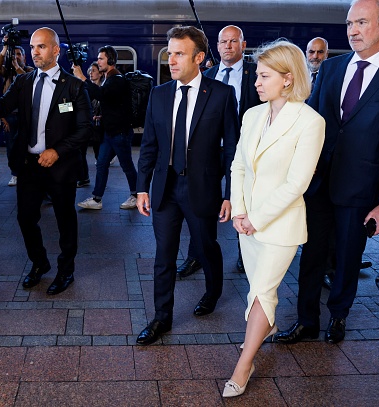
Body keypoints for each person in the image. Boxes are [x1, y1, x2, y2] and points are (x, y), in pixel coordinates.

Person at [275, 0, 379, 346]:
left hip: (361, 191)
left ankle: (338, 317)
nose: (353, 31)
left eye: (361, 22)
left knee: (346, 258)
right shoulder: (331, 69)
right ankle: (305, 320)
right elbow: (309, 124)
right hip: (318, 185)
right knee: (310, 257)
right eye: (349, 23)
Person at [223, 40, 325, 398]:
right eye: (257, 75)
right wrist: (239, 211)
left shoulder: (311, 122)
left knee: (263, 289)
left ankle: (245, 364)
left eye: (264, 76)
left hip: (280, 226)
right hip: (246, 222)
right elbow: (237, 166)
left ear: (287, 78)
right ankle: (264, 329)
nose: (256, 82)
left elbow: (298, 183)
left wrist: (256, 218)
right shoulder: (252, 115)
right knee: (257, 290)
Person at [0, 27, 92, 295]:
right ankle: (39, 262)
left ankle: (66, 270)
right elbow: (3, 104)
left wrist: (57, 151)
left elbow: (84, 130)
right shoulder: (24, 82)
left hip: (60, 167)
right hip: (29, 165)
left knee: (65, 221)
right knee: (25, 218)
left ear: (56, 50)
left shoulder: (74, 87)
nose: (35, 52)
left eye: (42, 47)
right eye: (33, 47)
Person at [135, 26, 238, 345]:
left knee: (206, 247)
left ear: (199, 57)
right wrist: (141, 187)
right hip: (165, 189)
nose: (172, 59)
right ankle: (161, 317)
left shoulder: (221, 95)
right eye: (170, 53)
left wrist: (229, 194)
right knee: (163, 256)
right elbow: (149, 145)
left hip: (202, 190)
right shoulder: (159, 93)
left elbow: (233, 149)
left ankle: (212, 292)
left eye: (179, 53)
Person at [172, 25, 262, 278]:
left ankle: (246, 253)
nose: (228, 46)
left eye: (234, 41)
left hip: (244, 151)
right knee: (200, 205)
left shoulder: (255, 74)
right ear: (217, 45)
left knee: (242, 201)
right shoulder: (206, 73)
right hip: (208, 154)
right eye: (223, 42)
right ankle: (197, 254)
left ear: (243, 45)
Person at [73, 46, 138, 210]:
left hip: (119, 133)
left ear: (111, 60)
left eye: (101, 58)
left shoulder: (117, 79)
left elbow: (101, 94)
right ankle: (97, 199)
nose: (98, 61)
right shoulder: (110, 78)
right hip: (110, 132)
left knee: (127, 165)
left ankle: (136, 195)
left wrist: (82, 78)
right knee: (101, 164)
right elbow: (114, 104)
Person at [0, 40, 34, 187]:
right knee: (11, 146)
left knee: (26, 146)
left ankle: (28, 173)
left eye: (18, 54)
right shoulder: (7, 72)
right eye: (14, 55)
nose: (16, 57)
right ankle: (14, 174)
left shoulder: (30, 71)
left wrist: (17, 67)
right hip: (10, 116)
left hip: (25, 116)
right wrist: (4, 50)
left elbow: (27, 81)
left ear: (24, 57)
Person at [77, 61, 105, 188]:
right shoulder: (86, 88)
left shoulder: (103, 89)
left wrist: (100, 116)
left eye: (93, 70)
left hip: (98, 127)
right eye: (89, 71)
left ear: (100, 73)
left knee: (99, 155)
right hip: (87, 126)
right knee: (80, 151)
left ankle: (100, 182)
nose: (90, 73)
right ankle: (83, 178)